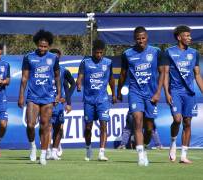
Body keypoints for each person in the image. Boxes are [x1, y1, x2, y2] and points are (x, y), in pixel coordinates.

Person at [117, 26, 165, 166]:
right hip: (135, 92)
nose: (141, 41)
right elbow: (123, 74)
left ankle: (144, 147)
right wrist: (119, 90)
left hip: (151, 94)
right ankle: (140, 156)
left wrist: (158, 92)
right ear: (134, 39)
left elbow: (162, 73)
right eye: (138, 39)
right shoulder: (127, 54)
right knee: (137, 121)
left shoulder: (156, 52)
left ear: (147, 37)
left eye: (143, 38)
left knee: (149, 128)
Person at [18, 30, 61, 165]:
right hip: (33, 96)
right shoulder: (28, 57)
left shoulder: (53, 58)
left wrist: (59, 94)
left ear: (48, 46)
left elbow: (57, 76)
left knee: (45, 126)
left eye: (45, 46)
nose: (42, 49)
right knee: (30, 125)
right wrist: (21, 95)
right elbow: (24, 78)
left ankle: (43, 155)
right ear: (36, 44)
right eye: (40, 46)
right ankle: (32, 147)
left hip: (48, 97)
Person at [163, 25, 203, 164]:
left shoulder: (194, 53)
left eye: (190, 35)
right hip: (175, 92)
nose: (190, 38)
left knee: (187, 123)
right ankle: (173, 142)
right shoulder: (169, 52)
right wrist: (167, 93)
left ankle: (184, 155)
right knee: (177, 120)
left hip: (189, 94)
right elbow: (166, 74)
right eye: (187, 35)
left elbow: (197, 75)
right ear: (179, 37)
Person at [76, 39, 117, 161]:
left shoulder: (108, 63)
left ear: (103, 52)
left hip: (103, 100)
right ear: (93, 51)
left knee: (103, 124)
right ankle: (88, 148)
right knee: (88, 127)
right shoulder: (85, 62)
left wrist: (114, 94)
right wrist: (78, 84)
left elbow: (111, 80)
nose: (98, 55)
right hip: (89, 100)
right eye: (96, 52)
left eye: (101, 53)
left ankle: (101, 152)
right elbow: (80, 76)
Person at [46, 48, 75, 160]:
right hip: (46, 103)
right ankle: (47, 151)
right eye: (53, 56)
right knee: (46, 128)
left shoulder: (63, 71)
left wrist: (67, 100)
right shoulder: (43, 70)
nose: (55, 59)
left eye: (57, 57)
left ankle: (54, 150)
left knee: (58, 128)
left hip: (58, 105)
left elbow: (71, 84)